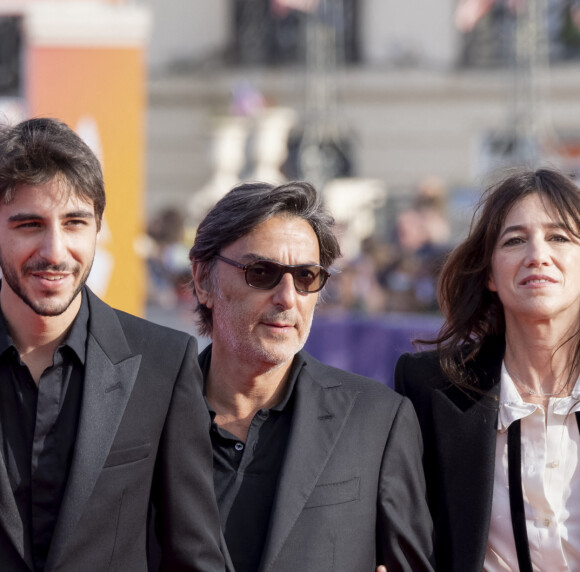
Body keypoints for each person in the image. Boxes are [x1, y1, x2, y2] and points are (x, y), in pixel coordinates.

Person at [0, 118, 225, 572]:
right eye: (29, 225)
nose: (55, 251)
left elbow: (195, 554)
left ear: (98, 228)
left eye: (75, 223)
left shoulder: (162, 365)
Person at [189, 180, 434, 572]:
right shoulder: (149, 413)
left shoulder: (376, 421)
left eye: (306, 277)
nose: (288, 297)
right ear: (204, 281)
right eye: (262, 272)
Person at [395, 167, 580, 572]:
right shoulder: (430, 390)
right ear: (490, 273)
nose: (537, 255)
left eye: (559, 237)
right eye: (515, 240)